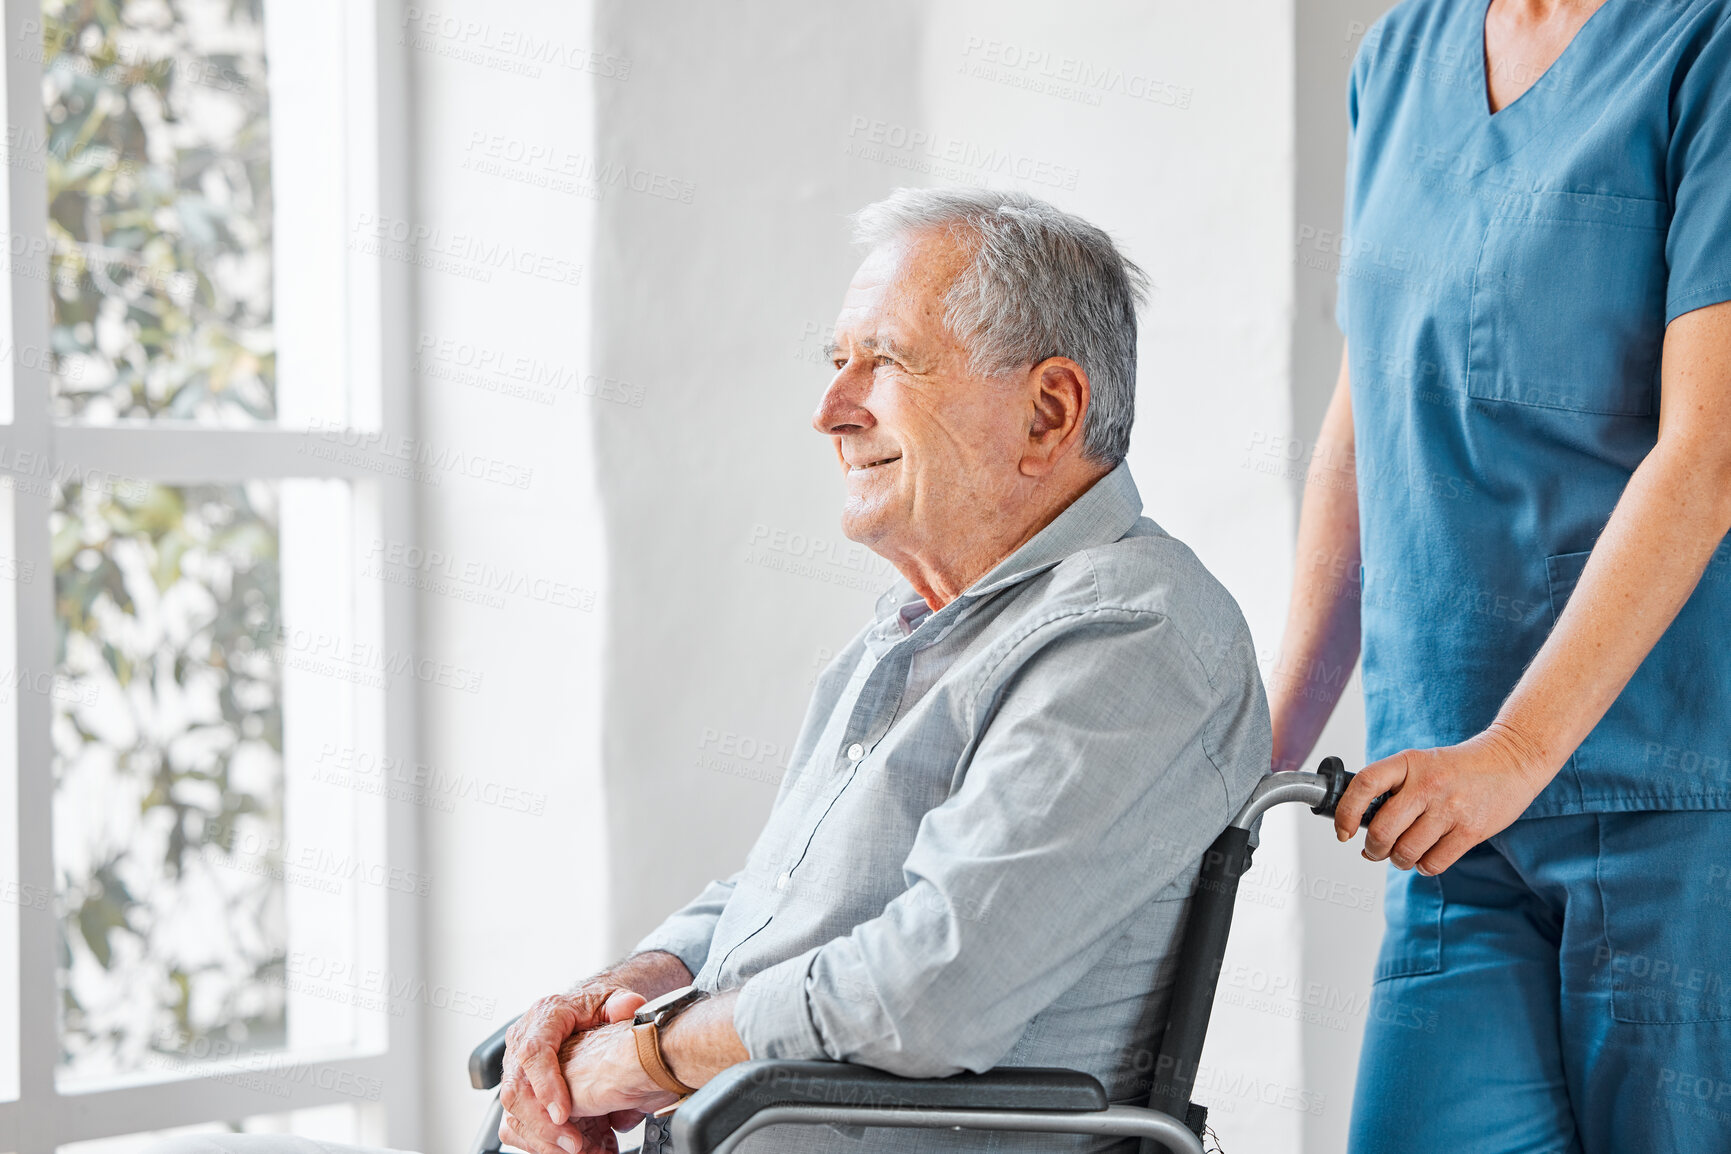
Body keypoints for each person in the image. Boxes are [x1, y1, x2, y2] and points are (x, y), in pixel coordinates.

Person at [149, 188, 1269, 1154]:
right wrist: (630, 982)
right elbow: (785, 899)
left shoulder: (1138, 635)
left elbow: (936, 984)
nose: (830, 410)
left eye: (885, 363)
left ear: (1048, 411)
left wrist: (643, 1058)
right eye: (838, 362)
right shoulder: (926, 621)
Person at [1269, 1, 1731, 1150]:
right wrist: (1267, 739)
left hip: (1674, 801)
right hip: (1447, 806)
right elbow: (1362, 414)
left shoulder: (1703, 43)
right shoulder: (1400, 57)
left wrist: (1516, 754)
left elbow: (1711, 450)